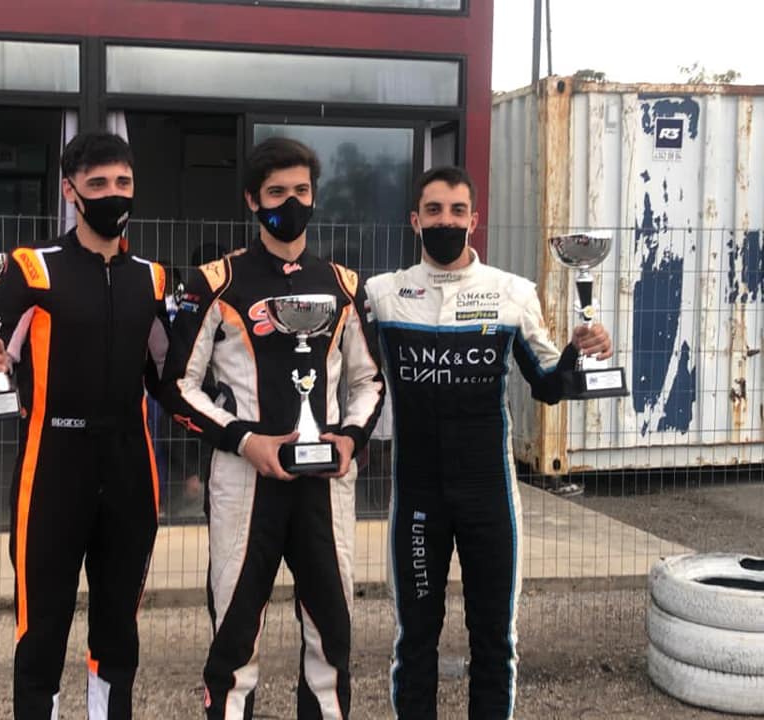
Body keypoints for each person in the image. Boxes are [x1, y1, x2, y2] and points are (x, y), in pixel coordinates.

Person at [364, 166, 612, 720]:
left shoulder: (511, 293)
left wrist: (582, 349)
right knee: (414, 639)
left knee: (495, 640)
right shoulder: (383, 295)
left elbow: (548, 384)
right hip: (418, 499)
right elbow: (350, 375)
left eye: (457, 211)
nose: (446, 221)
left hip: (490, 498)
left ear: (474, 220)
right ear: (414, 220)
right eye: (434, 211)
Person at [160, 137, 385, 720]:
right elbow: (177, 385)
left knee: (332, 636)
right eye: (277, 192)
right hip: (244, 483)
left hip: (325, 484)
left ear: (315, 195)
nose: (291, 202)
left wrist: (349, 439)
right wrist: (244, 439)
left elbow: (369, 382)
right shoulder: (216, 282)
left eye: (301, 191)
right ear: (252, 201)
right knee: (235, 638)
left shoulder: (343, 285)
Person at [0, 131, 169, 720]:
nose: (113, 194)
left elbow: (170, 374)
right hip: (53, 468)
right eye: (98, 183)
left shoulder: (152, 277)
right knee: (41, 631)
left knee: (119, 631)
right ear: (70, 190)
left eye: (123, 182)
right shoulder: (32, 269)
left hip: (130, 471)